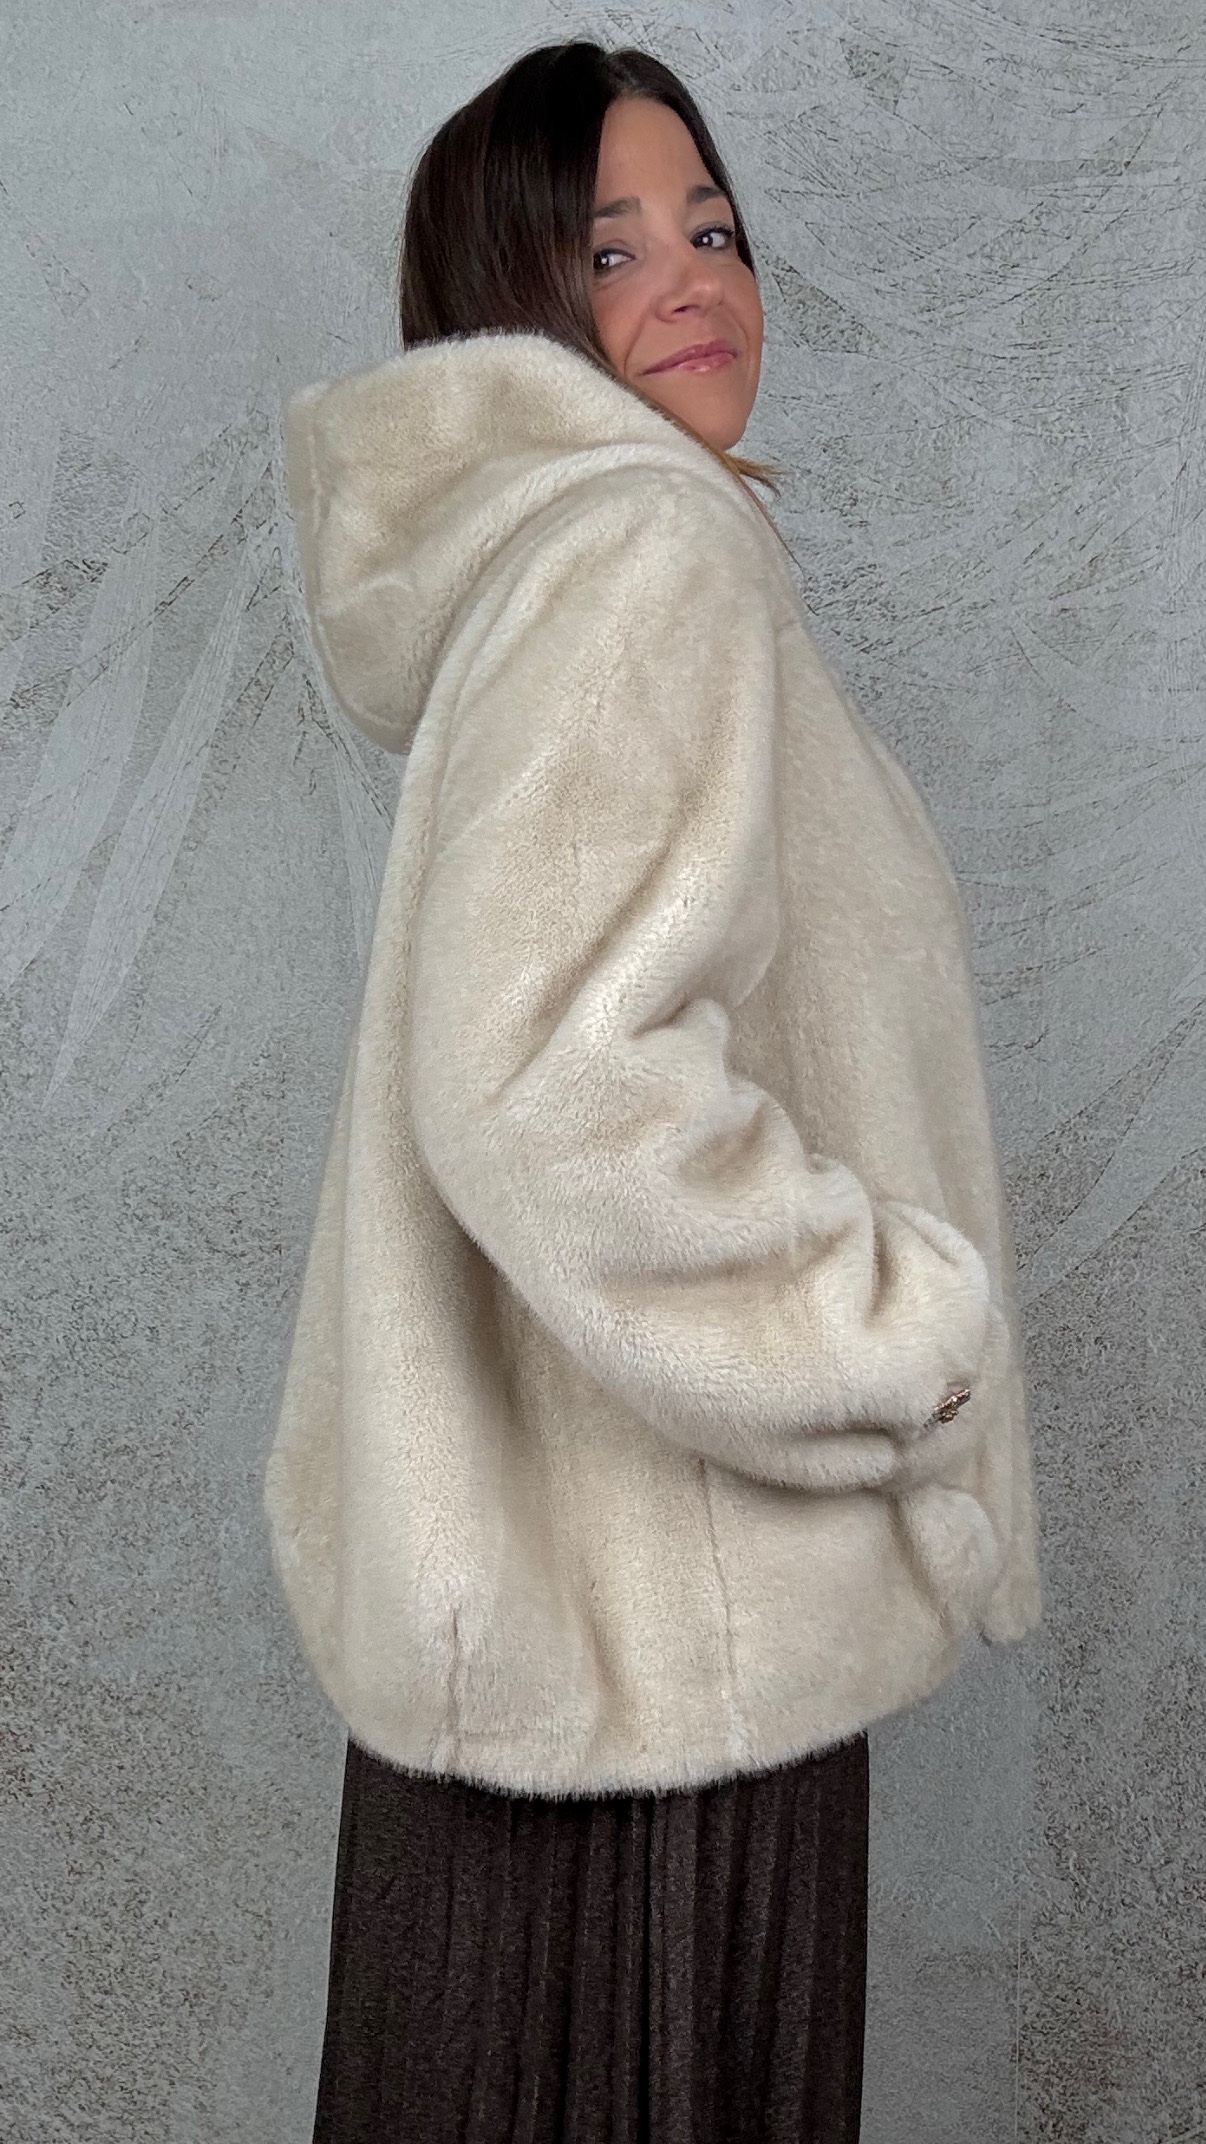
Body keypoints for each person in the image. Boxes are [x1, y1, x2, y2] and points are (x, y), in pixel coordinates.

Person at [263, 38, 1042, 2144]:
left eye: (713, 225)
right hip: (678, 1663)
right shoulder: (643, 552)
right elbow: (542, 1083)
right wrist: (881, 1332)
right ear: (510, 301)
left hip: (551, 1647)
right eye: (609, 247)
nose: (693, 274)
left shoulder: (561, 561)